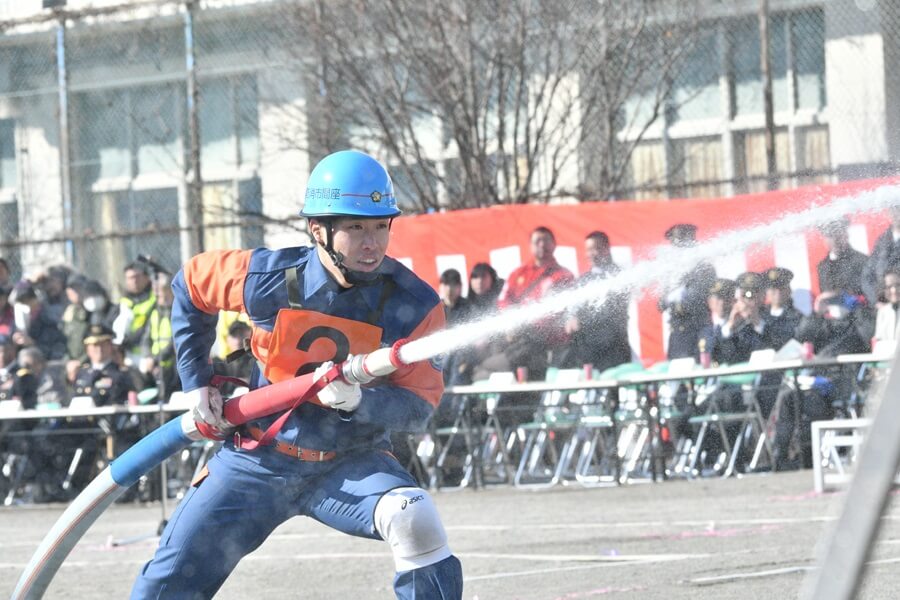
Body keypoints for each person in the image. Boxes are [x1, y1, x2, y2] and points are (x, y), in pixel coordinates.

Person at [131, 150, 463, 599]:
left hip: (350, 462)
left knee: (414, 516)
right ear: (318, 230)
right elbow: (189, 284)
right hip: (256, 458)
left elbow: (420, 407)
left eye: (381, 225)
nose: (372, 243)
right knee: (164, 585)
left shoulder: (416, 304)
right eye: (355, 227)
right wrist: (197, 383)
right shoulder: (266, 277)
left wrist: (360, 403)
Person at [493, 226, 575, 379]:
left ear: (554, 244)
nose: (542, 245)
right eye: (538, 241)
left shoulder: (564, 275)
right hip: (520, 340)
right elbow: (503, 301)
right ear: (530, 245)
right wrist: (513, 322)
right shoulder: (517, 274)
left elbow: (568, 308)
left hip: (550, 344)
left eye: (546, 240)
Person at [563, 231, 631, 373]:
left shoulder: (619, 276)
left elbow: (615, 308)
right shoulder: (582, 281)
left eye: (596, 248)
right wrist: (571, 318)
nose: (591, 254)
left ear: (606, 249)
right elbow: (572, 308)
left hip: (614, 349)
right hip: (587, 350)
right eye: (588, 250)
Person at [658, 223, 717, 360]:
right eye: (676, 241)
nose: (679, 245)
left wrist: (687, 292)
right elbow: (660, 305)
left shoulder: (704, 267)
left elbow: (707, 295)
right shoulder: (669, 272)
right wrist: (669, 299)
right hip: (678, 332)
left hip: (699, 329)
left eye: (684, 239)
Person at [817, 218, 868, 298]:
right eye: (830, 235)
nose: (835, 239)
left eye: (838, 233)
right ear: (825, 239)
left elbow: (866, 293)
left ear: (846, 235)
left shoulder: (862, 261)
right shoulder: (822, 267)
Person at [862, 206, 900, 305]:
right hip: (886, 305)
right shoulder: (882, 241)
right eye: (893, 209)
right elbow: (867, 276)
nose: (896, 214)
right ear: (888, 213)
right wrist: (877, 300)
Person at [763, 267, 803, 351]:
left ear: (789, 290)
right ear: (766, 292)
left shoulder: (798, 317)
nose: (777, 293)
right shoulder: (760, 315)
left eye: (781, 289)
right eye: (773, 289)